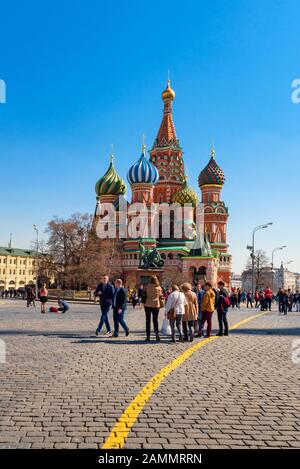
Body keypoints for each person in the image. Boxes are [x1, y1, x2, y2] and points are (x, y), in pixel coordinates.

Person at [144, 276, 163, 341]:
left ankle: (148, 336)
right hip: (156, 305)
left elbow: (145, 294)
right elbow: (161, 296)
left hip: (147, 304)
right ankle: (157, 335)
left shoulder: (147, 287)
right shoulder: (158, 288)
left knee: (148, 321)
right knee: (155, 320)